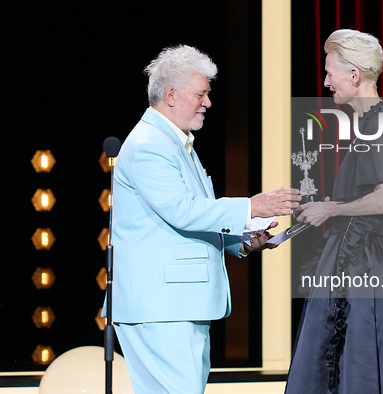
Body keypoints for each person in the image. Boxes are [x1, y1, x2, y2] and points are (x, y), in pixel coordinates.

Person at [106, 44, 300, 393]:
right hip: (162, 306)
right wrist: (252, 207)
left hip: (177, 305)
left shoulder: (175, 143)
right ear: (171, 95)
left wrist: (238, 239)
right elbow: (181, 210)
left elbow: (184, 218)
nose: (207, 103)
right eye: (201, 94)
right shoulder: (151, 144)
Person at [285, 30, 383, 393]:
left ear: (354, 75)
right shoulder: (368, 126)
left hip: (367, 263)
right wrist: (310, 217)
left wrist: (329, 208)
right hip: (355, 256)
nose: (325, 81)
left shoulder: (379, 127)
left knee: (363, 359)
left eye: (330, 72)